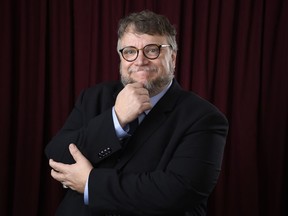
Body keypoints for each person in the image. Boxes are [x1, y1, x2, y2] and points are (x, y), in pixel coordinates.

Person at [45, 10, 229, 216]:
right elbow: (57, 155)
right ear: (121, 58)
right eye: (130, 51)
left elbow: (178, 191)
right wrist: (116, 119)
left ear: (173, 58)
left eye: (152, 50)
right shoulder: (94, 97)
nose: (140, 60)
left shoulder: (205, 118)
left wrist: (90, 183)